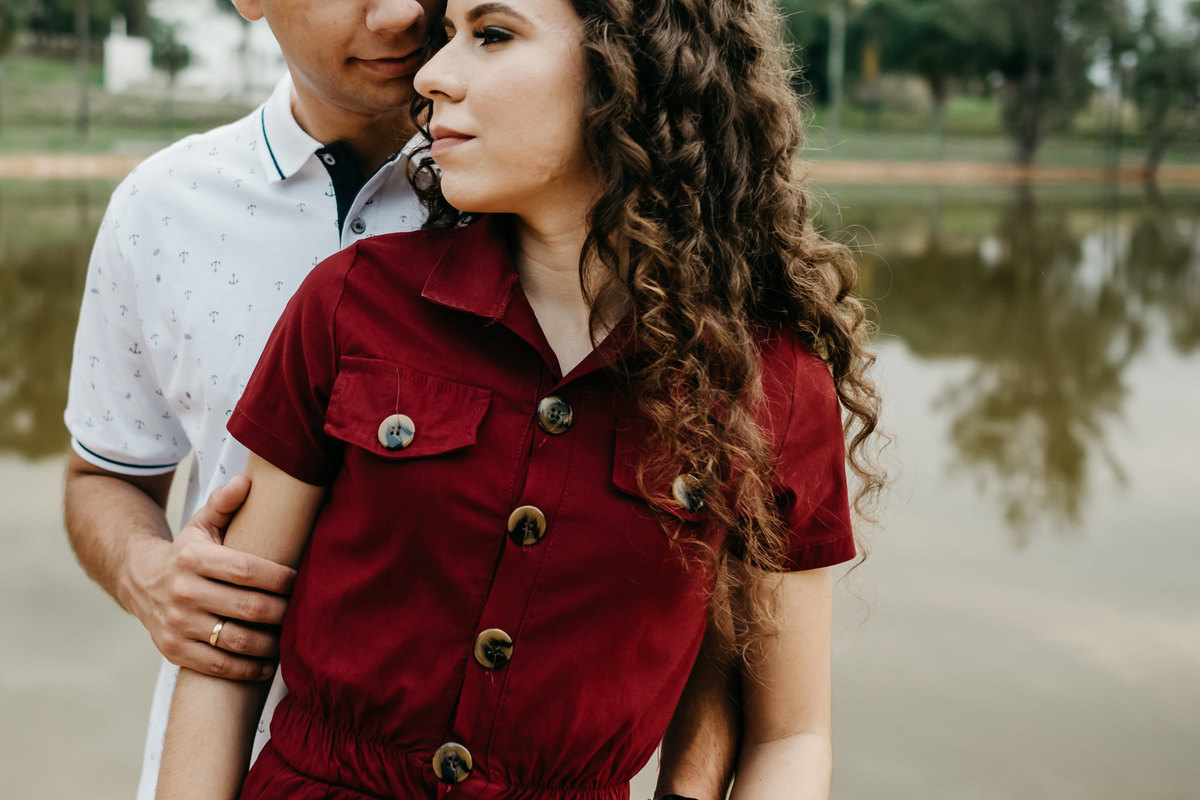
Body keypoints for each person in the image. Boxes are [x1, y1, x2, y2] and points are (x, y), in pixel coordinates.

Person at [156, 0, 882, 797]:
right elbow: (228, 653)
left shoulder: (770, 384)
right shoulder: (349, 303)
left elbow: (790, 735)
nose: (431, 76)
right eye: (448, 36)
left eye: (493, 35)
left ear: (633, 67)